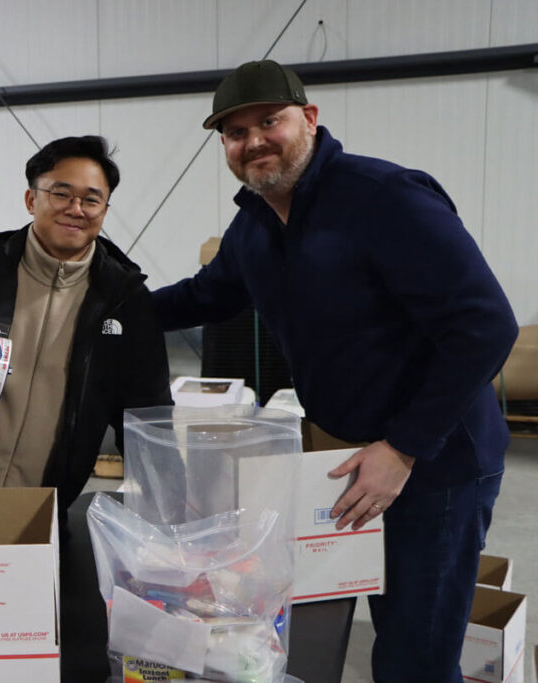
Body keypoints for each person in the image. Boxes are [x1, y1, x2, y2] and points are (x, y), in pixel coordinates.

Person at [152, 60, 518, 681]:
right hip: (348, 461)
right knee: (374, 626)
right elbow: (205, 295)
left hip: (435, 464)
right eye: (236, 133)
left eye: (270, 121)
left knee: (416, 655)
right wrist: (104, 309)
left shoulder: (385, 198)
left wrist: (402, 448)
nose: (254, 141)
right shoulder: (256, 224)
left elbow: (485, 325)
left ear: (310, 120)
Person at [0, 135, 172, 519]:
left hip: (41, 516)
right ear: (30, 199)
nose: (76, 208)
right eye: (61, 193)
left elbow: (149, 423)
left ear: (104, 210)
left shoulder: (124, 302)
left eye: (91, 199)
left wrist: (173, 519)